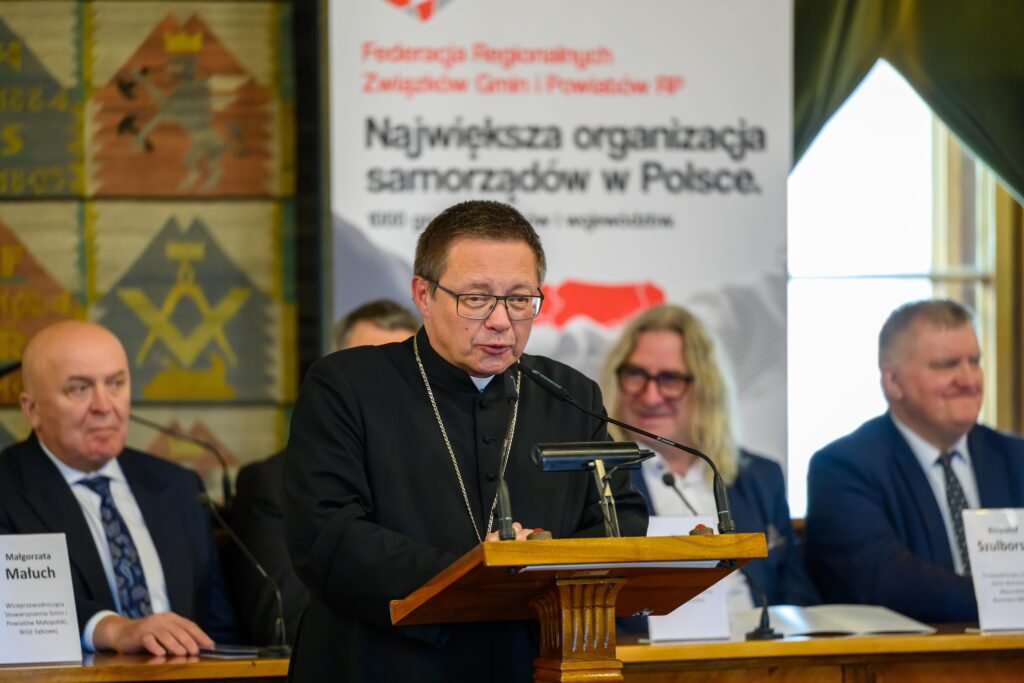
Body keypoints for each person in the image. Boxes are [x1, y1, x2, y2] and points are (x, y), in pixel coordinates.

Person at [283, 199, 648, 681]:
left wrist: (537, 562)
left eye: (520, 299)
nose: (500, 321)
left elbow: (620, 517)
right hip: (387, 662)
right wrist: (476, 571)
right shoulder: (347, 386)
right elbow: (327, 533)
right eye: (476, 299)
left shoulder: (569, 395)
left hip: (528, 662)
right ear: (423, 294)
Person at [0, 321, 238, 655]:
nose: (104, 405)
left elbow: (219, 629)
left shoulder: (179, 487)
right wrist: (115, 629)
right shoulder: (9, 490)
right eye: (79, 389)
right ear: (32, 410)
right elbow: (15, 608)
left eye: (116, 384)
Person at [805, 299, 1024, 622]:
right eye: (947, 365)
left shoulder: (1015, 458)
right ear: (893, 382)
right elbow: (887, 582)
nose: (969, 379)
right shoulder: (843, 468)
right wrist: (1005, 598)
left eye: (974, 361)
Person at [601, 304, 818, 616]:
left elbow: (797, 593)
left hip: (757, 642)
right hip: (642, 646)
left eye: (670, 378)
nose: (650, 396)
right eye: (635, 375)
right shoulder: (597, 477)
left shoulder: (760, 476)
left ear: (706, 386)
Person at [226, 299, 419, 646]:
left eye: (400, 374)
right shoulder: (271, 485)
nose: (385, 389)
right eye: (368, 371)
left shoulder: (438, 474)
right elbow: (286, 621)